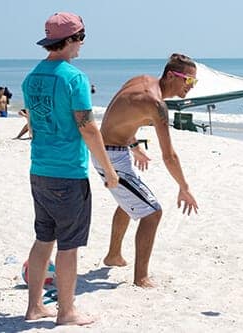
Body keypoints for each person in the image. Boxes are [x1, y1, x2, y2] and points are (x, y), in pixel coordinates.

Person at [21, 12, 118, 326]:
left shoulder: (31, 77)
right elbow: (88, 128)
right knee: (69, 246)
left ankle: (34, 307)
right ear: (70, 40)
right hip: (67, 173)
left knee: (43, 239)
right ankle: (66, 312)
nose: (81, 45)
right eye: (80, 38)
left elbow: (33, 123)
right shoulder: (74, 78)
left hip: (40, 169)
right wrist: (108, 169)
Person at [92, 53, 199, 288]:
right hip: (109, 156)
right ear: (171, 75)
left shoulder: (141, 80)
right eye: (188, 81)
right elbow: (169, 155)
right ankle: (141, 278)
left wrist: (133, 144)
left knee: (130, 202)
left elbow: (119, 117)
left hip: (114, 150)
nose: (191, 87)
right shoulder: (156, 104)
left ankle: (113, 255)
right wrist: (184, 188)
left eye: (194, 82)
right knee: (152, 213)